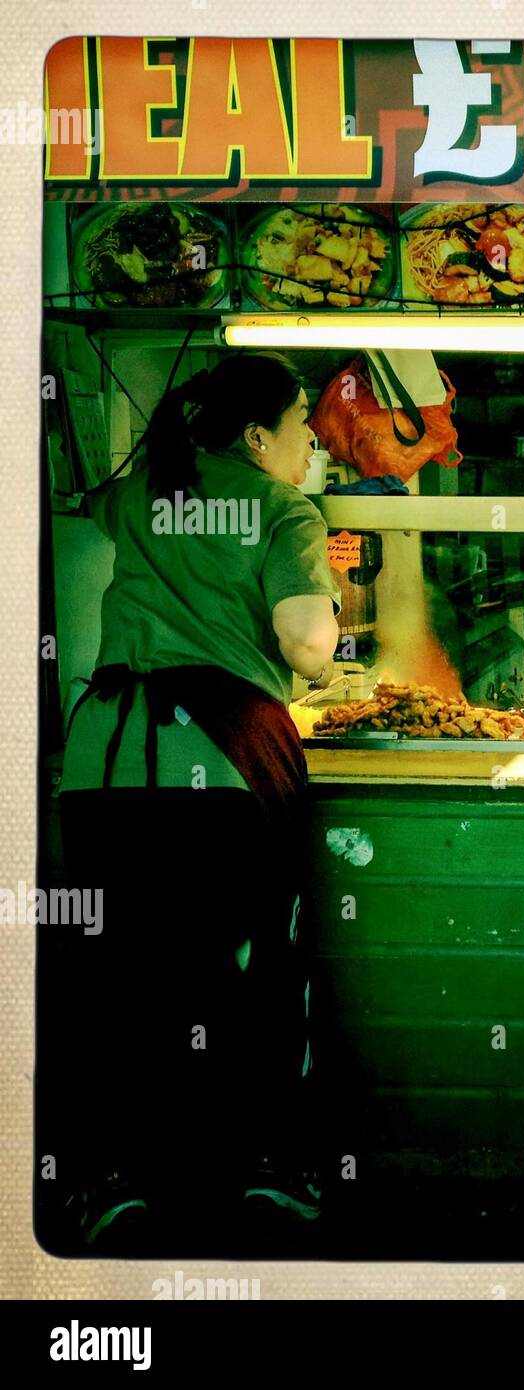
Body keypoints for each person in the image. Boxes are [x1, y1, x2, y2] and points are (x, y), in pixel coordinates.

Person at [42, 352, 341, 1252]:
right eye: (302, 425)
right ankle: (263, 1174)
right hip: (213, 758)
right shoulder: (284, 508)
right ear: (258, 436)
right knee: (249, 966)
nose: (312, 442)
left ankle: (113, 1181)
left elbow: (92, 508)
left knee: (116, 975)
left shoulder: (141, 490)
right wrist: (329, 630)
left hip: (101, 763)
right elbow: (305, 644)